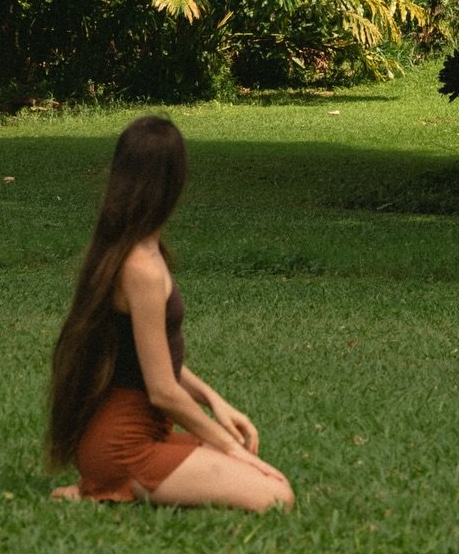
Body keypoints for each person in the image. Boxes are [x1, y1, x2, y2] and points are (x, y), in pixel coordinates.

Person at [46, 114, 294, 510]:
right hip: (124, 445)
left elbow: (154, 362)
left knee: (260, 477)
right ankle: (103, 485)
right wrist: (230, 446)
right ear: (173, 183)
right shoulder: (140, 268)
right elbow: (162, 390)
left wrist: (216, 402)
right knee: (276, 496)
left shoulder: (138, 252)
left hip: (139, 435)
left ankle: (100, 483)